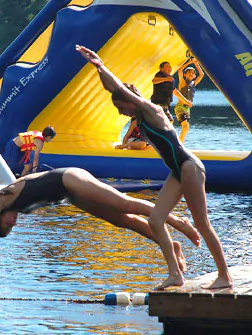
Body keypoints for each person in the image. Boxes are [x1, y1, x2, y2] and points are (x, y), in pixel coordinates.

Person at [77, 45, 232, 290]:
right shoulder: (139, 118)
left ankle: (224, 275)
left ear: (130, 101)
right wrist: (98, 72)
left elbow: (118, 88)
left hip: (189, 167)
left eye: (120, 106)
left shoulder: (152, 111)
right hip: (177, 171)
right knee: (156, 220)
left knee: (202, 223)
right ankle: (175, 274)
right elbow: (113, 89)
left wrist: (100, 65)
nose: (119, 111)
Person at [0, 168, 201, 272]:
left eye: (8, 222)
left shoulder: (1, 199)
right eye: (11, 226)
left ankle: (179, 222)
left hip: (69, 179)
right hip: (71, 197)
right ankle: (171, 246)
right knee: (123, 220)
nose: (13, 222)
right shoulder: (5, 215)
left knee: (124, 203)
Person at [172, 58, 205, 142]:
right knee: (185, 126)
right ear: (185, 75)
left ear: (194, 76)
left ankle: (180, 141)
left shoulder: (193, 83)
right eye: (188, 72)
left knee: (186, 128)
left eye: (193, 73)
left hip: (187, 109)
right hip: (180, 107)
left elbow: (201, 74)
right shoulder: (183, 82)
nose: (191, 73)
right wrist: (189, 62)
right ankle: (180, 141)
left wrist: (196, 63)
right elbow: (180, 70)